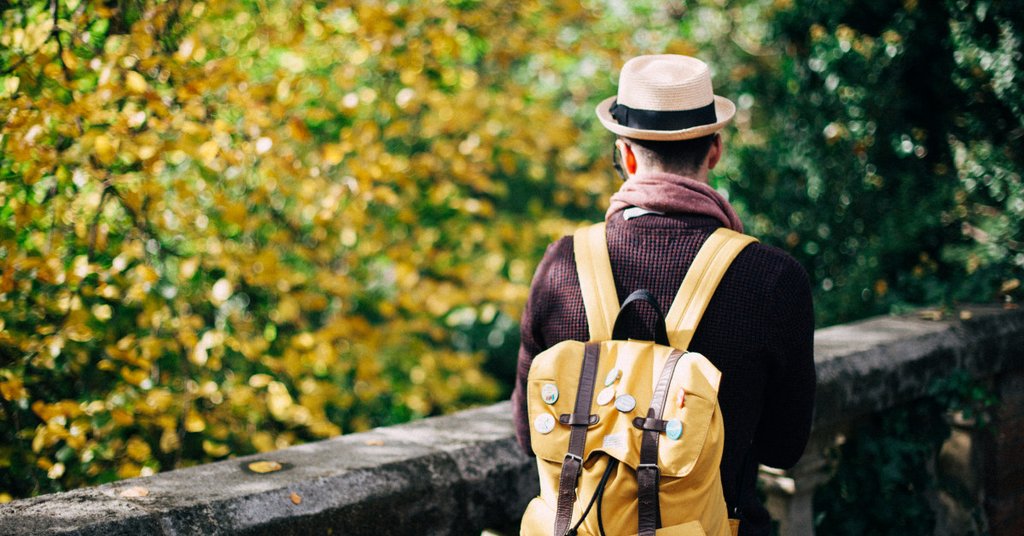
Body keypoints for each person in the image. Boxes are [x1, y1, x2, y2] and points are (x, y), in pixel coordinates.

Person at [510, 54, 816, 535]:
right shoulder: (773, 278)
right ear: (715, 151)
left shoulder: (562, 265)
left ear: (625, 156)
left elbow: (530, 436)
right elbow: (784, 447)